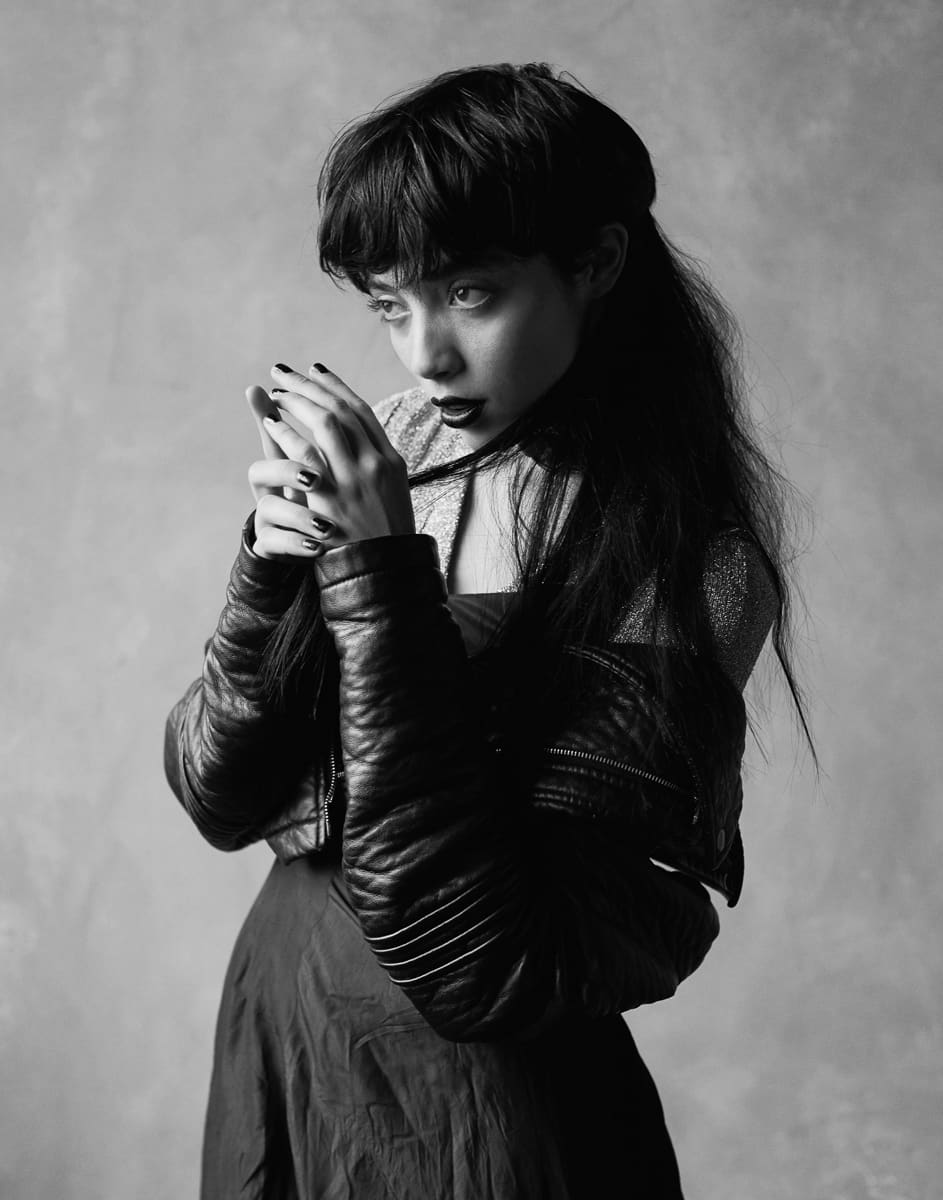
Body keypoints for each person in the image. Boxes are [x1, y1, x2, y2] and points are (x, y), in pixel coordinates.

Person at [164, 62, 812, 1199]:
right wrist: (268, 570)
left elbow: (481, 962)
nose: (425, 355)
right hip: (289, 1037)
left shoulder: (694, 568)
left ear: (595, 263)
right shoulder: (392, 460)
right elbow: (220, 797)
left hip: (488, 1102)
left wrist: (376, 575)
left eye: (469, 293)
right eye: (389, 305)